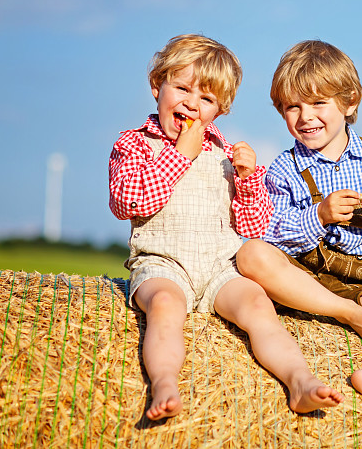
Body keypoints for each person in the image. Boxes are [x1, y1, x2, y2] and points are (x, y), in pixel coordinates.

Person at [109, 34, 343, 421]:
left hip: (220, 267)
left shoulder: (225, 154)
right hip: (163, 264)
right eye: (182, 88)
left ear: (221, 108)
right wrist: (179, 155)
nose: (191, 103)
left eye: (206, 99)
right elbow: (128, 202)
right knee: (165, 306)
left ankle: (299, 380)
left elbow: (253, 226)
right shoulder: (134, 145)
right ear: (157, 85)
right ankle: (164, 381)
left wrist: (249, 181)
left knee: (257, 306)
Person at [236, 40, 362, 425]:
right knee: (251, 254)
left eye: (317, 104)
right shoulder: (284, 169)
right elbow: (273, 232)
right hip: (305, 277)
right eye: (292, 106)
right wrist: (319, 215)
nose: (305, 116)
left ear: (349, 103)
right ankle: (352, 318)